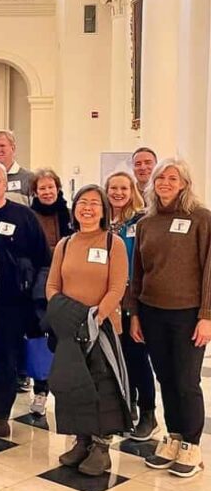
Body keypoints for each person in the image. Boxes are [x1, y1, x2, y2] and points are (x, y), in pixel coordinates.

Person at [131, 158, 211, 478]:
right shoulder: (145, 222)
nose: (165, 182)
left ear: (184, 184)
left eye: (172, 177)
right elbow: (138, 274)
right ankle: (174, 436)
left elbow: (210, 271)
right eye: (160, 177)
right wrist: (135, 315)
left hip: (188, 314)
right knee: (165, 378)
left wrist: (207, 315)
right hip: (152, 312)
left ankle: (191, 444)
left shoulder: (201, 218)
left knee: (186, 380)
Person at [46, 184, 129, 477]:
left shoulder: (112, 244)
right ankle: (81, 441)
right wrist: (67, 317)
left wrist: (95, 318)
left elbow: (118, 287)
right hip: (70, 328)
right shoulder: (65, 244)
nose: (88, 208)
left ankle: (101, 447)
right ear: (75, 208)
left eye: (95, 203)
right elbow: (52, 287)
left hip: (101, 328)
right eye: (83, 202)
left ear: (104, 210)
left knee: (101, 387)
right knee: (73, 385)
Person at [0, 160, 50, 437]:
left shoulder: (25, 217)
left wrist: (37, 301)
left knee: (5, 360)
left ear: (6, 184)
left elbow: (43, 259)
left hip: (11, 304)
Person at [106, 171, 159, 441]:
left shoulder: (141, 221)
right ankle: (128, 409)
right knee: (117, 358)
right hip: (107, 300)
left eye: (123, 188)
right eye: (113, 187)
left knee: (137, 357)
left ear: (132, 191)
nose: (117, 192)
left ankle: (149, 412)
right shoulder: (104, 222)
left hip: (132, 300)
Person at [27, 168, 72, 415]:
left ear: (58, 188)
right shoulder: (29, 215)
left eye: (50, 187)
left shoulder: (70, 213)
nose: (47, 192)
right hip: (37, 284)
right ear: (35, 191)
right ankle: (40, 390)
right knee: (39, 335)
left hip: (68, 283)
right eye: (42, 188)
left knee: (65, 338)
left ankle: (66, 392)